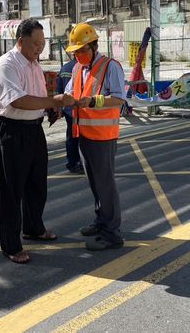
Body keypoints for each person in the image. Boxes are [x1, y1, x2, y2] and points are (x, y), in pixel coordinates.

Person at [0, 18, 75, 264]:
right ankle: (11, 245)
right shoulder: (6, 65)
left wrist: (49, 109)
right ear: (20, 41)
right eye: (35, 44)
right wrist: (55, 101)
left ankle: (33, 227)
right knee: (10, 190)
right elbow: (18, 101)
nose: (39, 48)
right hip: (10, 131)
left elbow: (36, 97)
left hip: (33, 130)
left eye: (43, 43)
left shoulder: (34, 64)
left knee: (36, 184)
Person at [64, 23, 126, 251]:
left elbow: (119, 99)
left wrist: (92, 101)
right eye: (75, 52)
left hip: (103, 137)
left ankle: (112, 234)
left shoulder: (110, 66)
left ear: (93, 46)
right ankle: (102, 221)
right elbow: (72, 91)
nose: (78, 55)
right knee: (95, 184)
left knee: (105, 185)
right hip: (84, 134)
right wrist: (63, 99)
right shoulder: (78, 69)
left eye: (82, 50)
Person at [56, 57, 84, 174]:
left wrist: (60, 108)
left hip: (68, 110)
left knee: (71, 136)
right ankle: (82, 163)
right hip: (81, 109)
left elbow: (60, 90)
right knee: (82, 137)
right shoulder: (83, 68)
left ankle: (72, 162)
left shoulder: (64, 68)